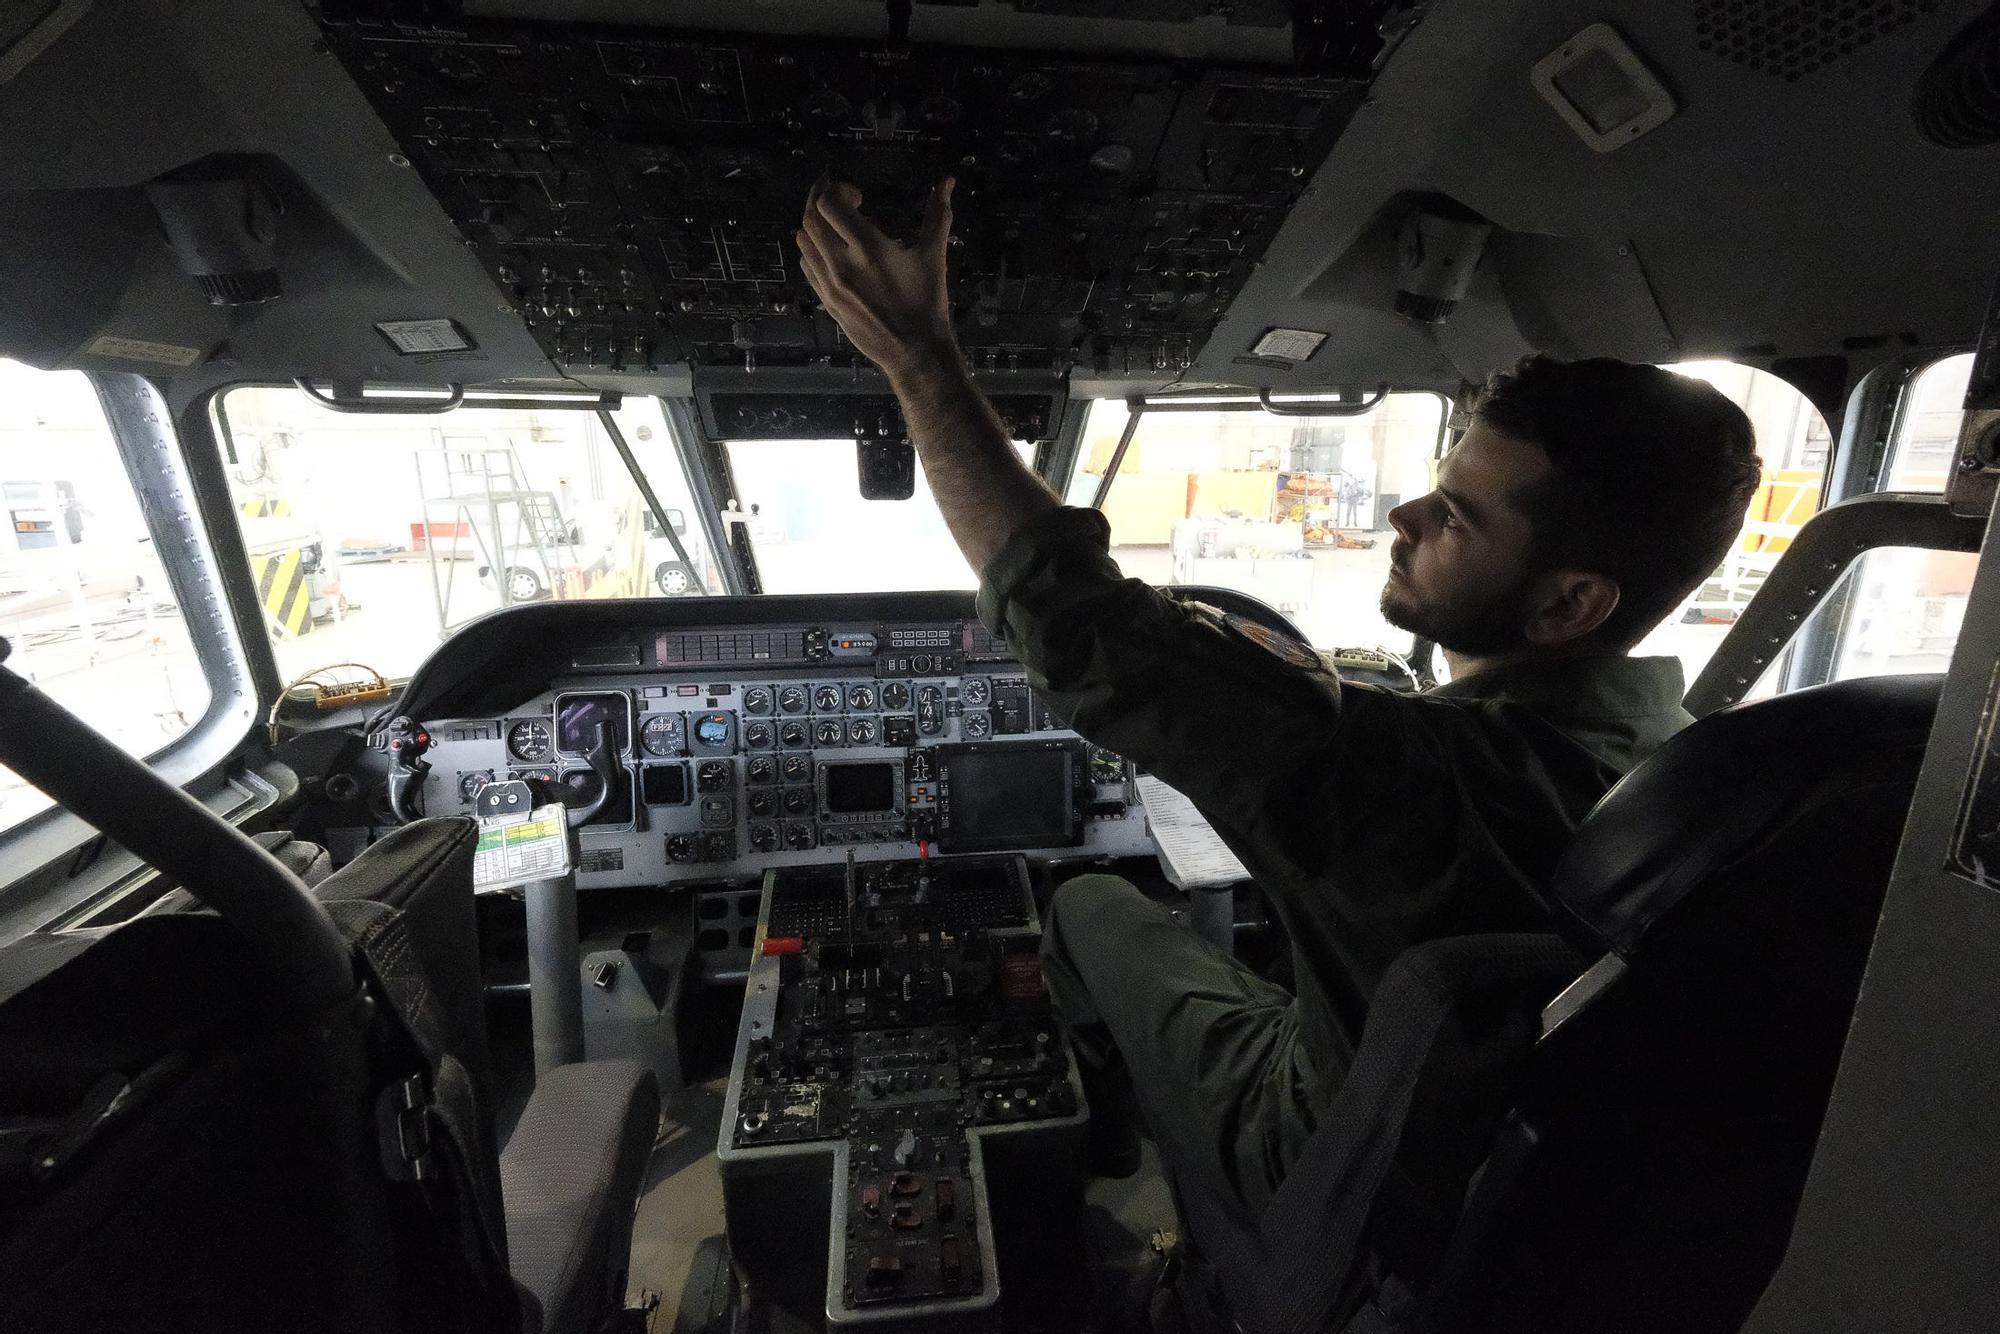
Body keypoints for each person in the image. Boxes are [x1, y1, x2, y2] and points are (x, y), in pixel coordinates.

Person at [794, 175, 1762, 1224]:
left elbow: (1074, 621)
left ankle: (1106, 1178)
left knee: (1082, 905)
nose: (1401, 512)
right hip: (1493, 1175)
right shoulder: (1691, 767)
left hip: (1326, 1164)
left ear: (1569, 601)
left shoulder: (1405, 779)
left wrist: (918, 359)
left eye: (1455, 516)